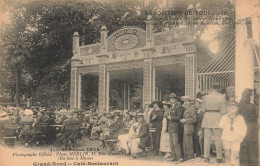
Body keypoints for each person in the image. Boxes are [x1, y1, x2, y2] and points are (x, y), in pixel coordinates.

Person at [201, 83, 226, 163]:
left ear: (211, 88)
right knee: (218, 139)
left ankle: (206, 157)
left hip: (207, 117)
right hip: (218, 117)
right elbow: (224, 111)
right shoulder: (222, 97)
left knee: (206, 139)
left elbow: (203, 110)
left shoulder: (205, 97)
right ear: (219, 88)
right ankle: (219, 158)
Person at [219, 101, 247, 166]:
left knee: (236, 155)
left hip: (236, 138)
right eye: (230, 108)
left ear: (236, 109)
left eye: (233, 108)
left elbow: (244, 128)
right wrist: (226, 118)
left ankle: (236, 164)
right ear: (227, 109)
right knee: (227, 155)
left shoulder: (240, 118)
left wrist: (241, 136)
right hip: (226, 137)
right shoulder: (224, 117)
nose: (231, 110)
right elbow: (220, 126)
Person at [238, 88, 259, 166]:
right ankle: (253, 164)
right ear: (249, 96)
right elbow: (256, 116)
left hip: (242, 126)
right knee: (253, 146)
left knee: (243, 145)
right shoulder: (253, 106)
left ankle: (243, 163)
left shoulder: (239, 104)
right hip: (252, 127)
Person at [167, 93, 184, 163]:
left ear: (176, 100)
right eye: (170, 99)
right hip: (170, 127)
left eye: (173, 99)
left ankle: (180, 158)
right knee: (171, 143)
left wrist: (171, 118)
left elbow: (179, 117)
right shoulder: (171, 107)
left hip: (175, 127)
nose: (171, 100)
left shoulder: (178, 107)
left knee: (175, 142)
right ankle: (174, 156)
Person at [180, 96, 197, 161]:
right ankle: (186, 158)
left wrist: (186, 120)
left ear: (190, 102)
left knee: (189, 144)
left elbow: (195, 119)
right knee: (185, 144)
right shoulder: (187, 109)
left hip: (189, 128)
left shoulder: (192, 108)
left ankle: (190, 158)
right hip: (186, 127)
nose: (185, 103)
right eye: (185, 101)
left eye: (187, 101)